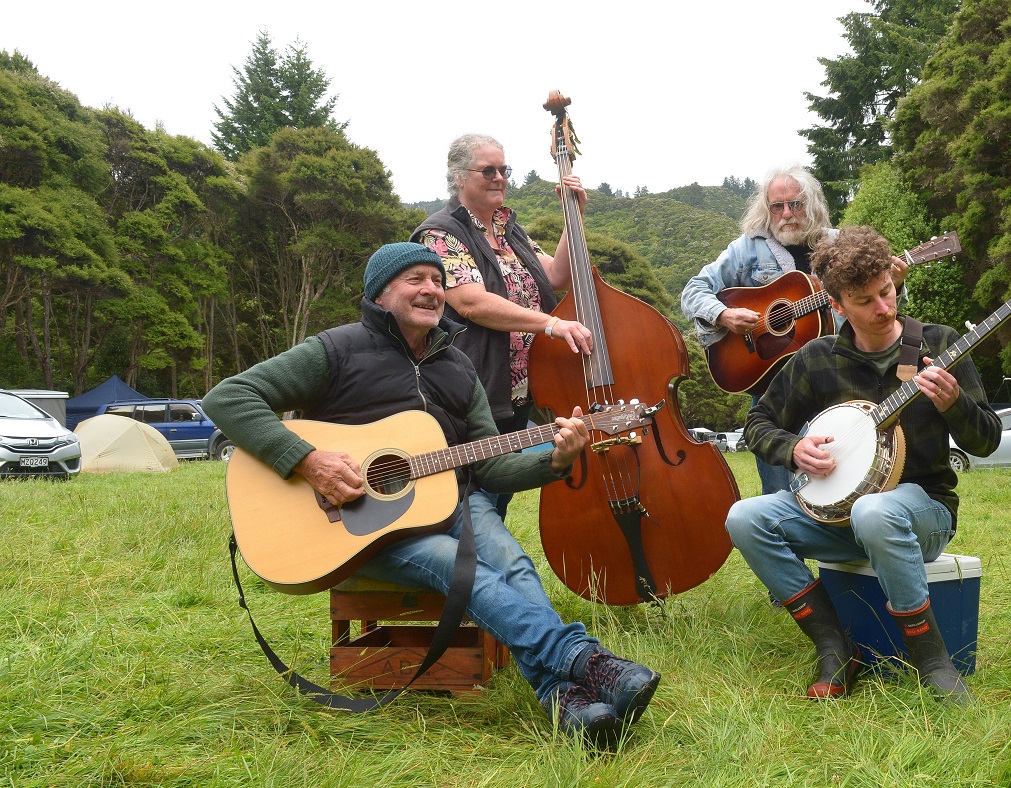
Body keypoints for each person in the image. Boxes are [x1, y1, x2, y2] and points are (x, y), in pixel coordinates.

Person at [203, 242, 659, 750]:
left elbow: (489, 463)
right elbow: (227, 397)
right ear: (380, 292)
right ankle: (586, 660)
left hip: (458, 502)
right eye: (415, 278)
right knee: (457, 566)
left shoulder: (459, 368)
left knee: (513, 566)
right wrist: (309, 461)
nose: (431, 290)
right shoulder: (335, 350)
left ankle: (562, 697)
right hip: (364, 527)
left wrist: (556, 459)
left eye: (438, 281)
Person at [725, 226, 1000, 705]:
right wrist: (793, 449)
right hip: (838, 518)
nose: (884, 308)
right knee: (744, 518)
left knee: (874, 512)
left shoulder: (939, 343)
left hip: (922, 513)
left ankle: (932, 659)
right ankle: (835, 646)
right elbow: (758, 422)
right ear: (837, 306)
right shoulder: (816, 358)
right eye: (865, 301)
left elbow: (988, 441)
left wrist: (955, 404)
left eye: (886, 292)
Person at [680, 165, 908, 495]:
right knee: (779, 497)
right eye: (777, 206)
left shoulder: (840, 245)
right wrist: (723, 314)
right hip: (775, 390)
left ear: (812, 203)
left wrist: (895, 286)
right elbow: (694, 290)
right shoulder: (747, 248)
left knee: (848, 485)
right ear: (767, 208)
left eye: (796, 204)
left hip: (838, 381)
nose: (787, 213)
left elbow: (879, 308)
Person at [409, 134, 590, 519]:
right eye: (488, 170)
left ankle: (482, 570)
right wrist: (552, 324)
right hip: (472, 386)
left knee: (501, 489)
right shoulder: (441, 233)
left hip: (518, 390)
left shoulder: (509, 230)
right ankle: (466, 569)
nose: (499, 178)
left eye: (503, 170)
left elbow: (558, 275)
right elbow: (471, 302)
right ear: (458, 176)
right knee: (471, 497)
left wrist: (573, 217)